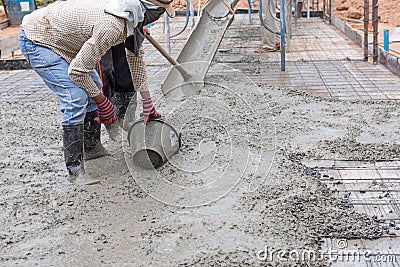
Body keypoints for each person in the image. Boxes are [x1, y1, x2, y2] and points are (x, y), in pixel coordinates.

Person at [18, 0, 175, 185]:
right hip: (39, 38)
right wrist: (103, 103)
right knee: (75, 98)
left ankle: (92, 148)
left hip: (64, 39)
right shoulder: (112, 25)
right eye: (159, 13)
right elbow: (77, 72)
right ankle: (75, 172)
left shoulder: (130, 18)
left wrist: (147, 102)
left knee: (94, 85)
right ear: (149, 11)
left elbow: (136, 61)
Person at [98, 0, 169, 137]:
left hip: (124, 19)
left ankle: (125, 117)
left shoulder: (133, 14)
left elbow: (136, 61)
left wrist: (147, 102)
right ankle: (96, 138)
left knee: (125, 73)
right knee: (103, 73)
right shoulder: (107, 21)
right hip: (96, 23)